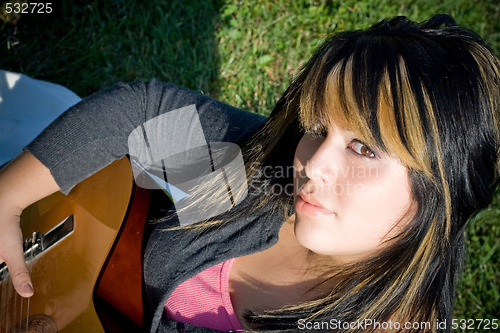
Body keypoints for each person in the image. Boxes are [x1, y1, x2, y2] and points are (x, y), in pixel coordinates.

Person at [0, 14, 499, 333]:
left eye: (363, 149)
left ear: (442, 193)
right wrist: (6, 199)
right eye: (317, 127)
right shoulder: (270, 172)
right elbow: (142, 116)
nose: (312, 165)